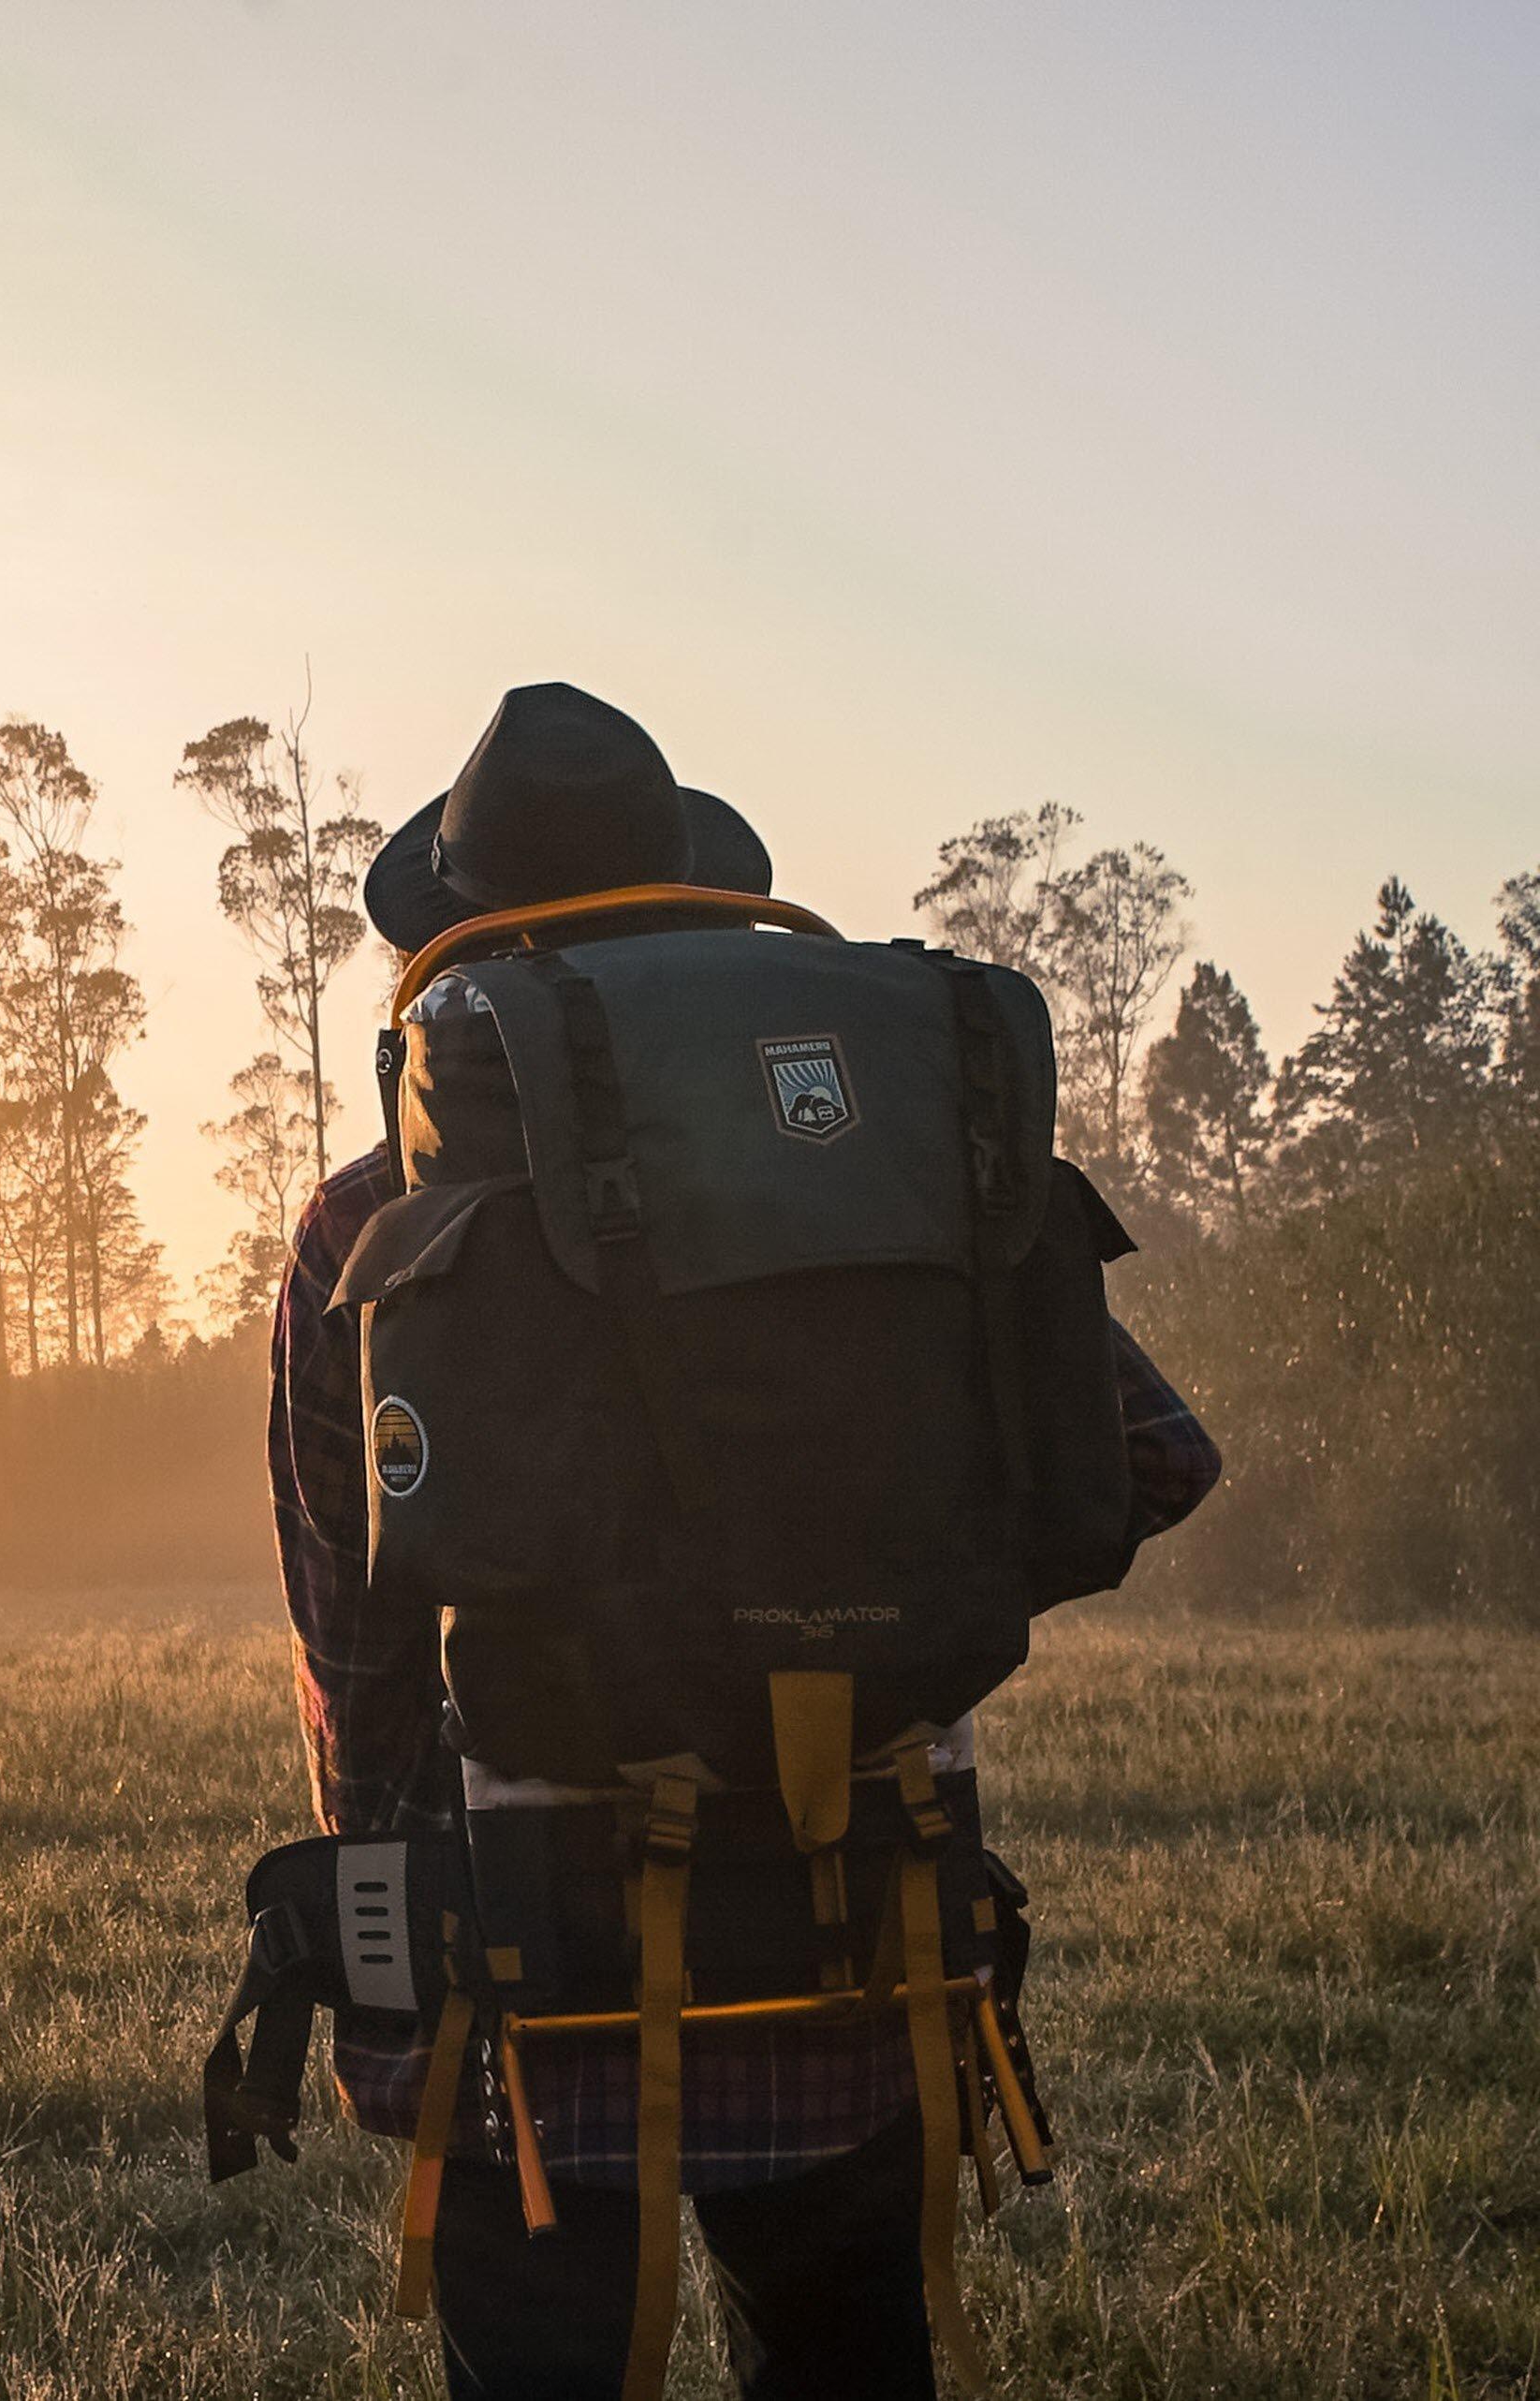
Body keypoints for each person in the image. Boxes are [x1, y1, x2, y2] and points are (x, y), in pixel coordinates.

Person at [267, 684, 1221, 2400]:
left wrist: (385, 1932)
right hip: (863, 1911)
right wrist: (872, 1601)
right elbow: (1146, 1463)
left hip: (527, 1963)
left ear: (468, 945)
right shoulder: (901, 1175)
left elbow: (355, 1635)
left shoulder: (367, 1225)